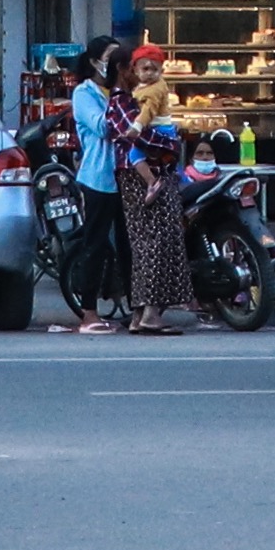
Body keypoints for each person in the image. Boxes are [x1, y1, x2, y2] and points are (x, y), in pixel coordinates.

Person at [119, 40, 191, 335]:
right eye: (143, 68)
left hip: (152, 169)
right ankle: (149, 314)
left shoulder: (152, 90)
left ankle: (142, 314)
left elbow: (147, 116)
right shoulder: (123, 99)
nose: (148, 73)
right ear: (132, 70)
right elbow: (138, 130)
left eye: (153, 68)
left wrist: (140, 131)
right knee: (157, 245)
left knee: (149, 246)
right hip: (149, 176)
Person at [63, 39, 131, 333]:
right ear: (95, 62)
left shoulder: (130, 91)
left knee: (132, 246)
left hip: (129, 177)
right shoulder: (84, 93)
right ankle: (89, 312)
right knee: (97, 244)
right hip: (99, 178)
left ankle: (137, 308)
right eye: (111, 57)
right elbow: (104, 127)